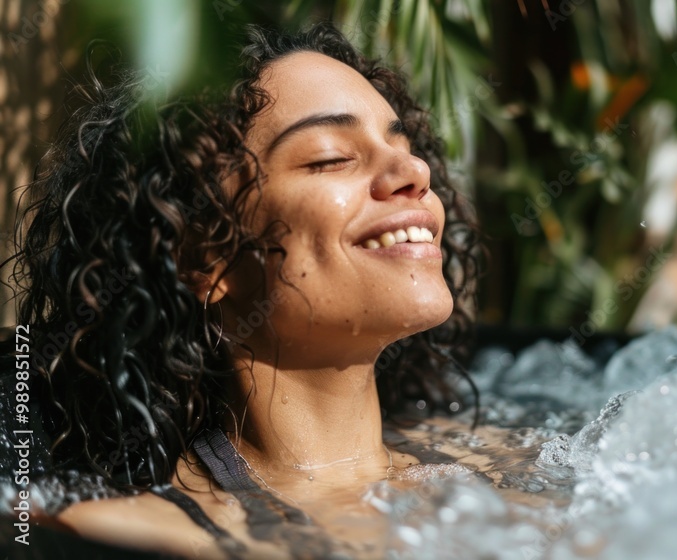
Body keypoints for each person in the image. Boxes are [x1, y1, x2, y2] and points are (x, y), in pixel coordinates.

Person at [2, 20, 480, 559]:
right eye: (330, 157)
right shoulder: (142, 535)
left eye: (404, 145)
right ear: (203, 258)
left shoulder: (496, 464)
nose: (414, 169)